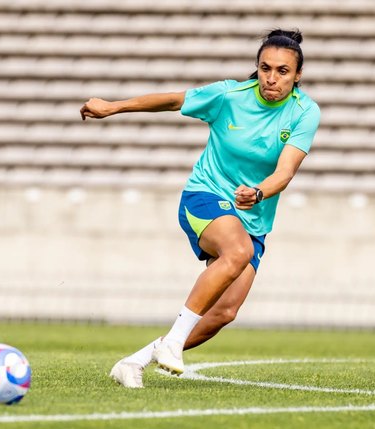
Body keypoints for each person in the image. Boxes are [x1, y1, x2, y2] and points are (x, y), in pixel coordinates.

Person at [79, 29, 320, 388]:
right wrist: (114, 107)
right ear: (257, 67)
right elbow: (175, 100)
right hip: (205, 195)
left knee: (225, 311)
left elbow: (284, 172)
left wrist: (256, 192)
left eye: (283, 71)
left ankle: (137, 360)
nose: (272, 77)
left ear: (297, 75)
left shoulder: (305, 112)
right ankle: (173, 343)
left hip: (252, 212)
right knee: (237, 251)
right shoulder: (229, 95)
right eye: (266, 68)